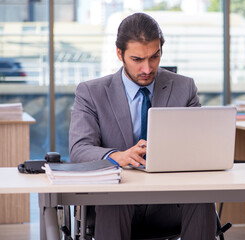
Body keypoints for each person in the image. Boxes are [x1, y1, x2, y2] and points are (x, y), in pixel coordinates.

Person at [69, 12, 217, 240]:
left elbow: (198, 147)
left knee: (201, 198)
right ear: (120, 54)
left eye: (154, 57)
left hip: (169, 200)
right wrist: (118, 156)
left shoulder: (184, 88)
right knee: (114, 198)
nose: (147, 69)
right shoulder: (92, 92)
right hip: (117, 199)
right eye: (137, 59)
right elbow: (79, 150)